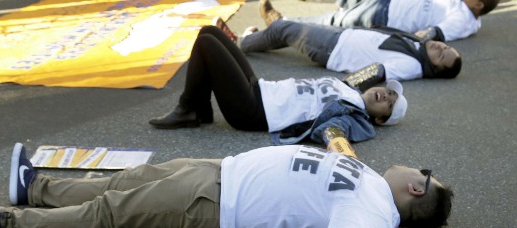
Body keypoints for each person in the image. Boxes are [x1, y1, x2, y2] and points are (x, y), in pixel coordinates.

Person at [0, 142, 454, 228]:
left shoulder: (374, 219)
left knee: (111, 212)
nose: (418, 168)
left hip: (217, 204)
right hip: (221, 172)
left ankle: (5, 223)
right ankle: (35, 187)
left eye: (425, 175)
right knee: (126, 181)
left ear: (416, 189)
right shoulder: (369, 181)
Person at [149, 25, 408, 147]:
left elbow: (332, 131)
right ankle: (200, 109)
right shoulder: (349, 89)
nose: (386, 94)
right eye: (390, 92)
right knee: (209, 32)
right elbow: (375, 68)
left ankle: (188, 109)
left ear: (381, 120)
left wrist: (339, 150)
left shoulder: (355, 118)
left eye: (389, 103)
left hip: (254, 112)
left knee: (207, 46)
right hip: (261, 89)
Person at [239, 19, 462, 81]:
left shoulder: (412, 65)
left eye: (441, 55)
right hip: (343, 35)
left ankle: (242, 43)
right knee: (288, 30)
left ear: (434, 69)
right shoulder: (419, 48)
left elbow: (377, 71)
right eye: (446, 47)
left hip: (333, 49)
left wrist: (344, 87)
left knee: (284, 28)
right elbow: (432, 33)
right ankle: (257, 39)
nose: (440, 47)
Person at [262, 0, 500, 42]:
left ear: (478, 5)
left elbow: (433, 32)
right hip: (389, 2)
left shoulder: (462, 19)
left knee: (334, 20)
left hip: (387, 16)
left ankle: (282, 23)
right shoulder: (460, 5)